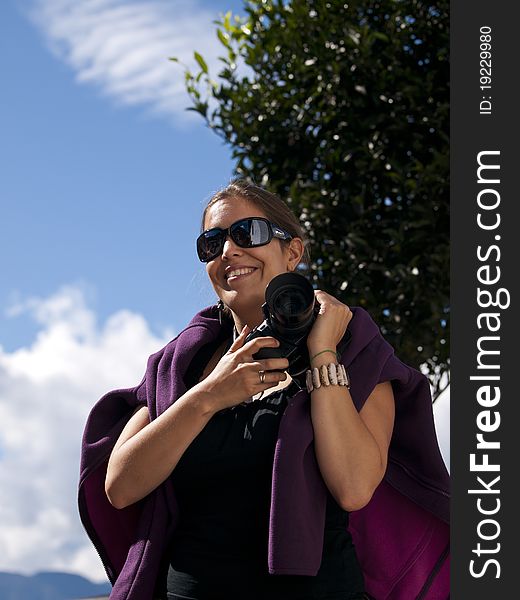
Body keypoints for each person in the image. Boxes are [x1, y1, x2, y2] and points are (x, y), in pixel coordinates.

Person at [79, 180, 450, 600]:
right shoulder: (183, 366)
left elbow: (354, 486)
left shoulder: (355, 351)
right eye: (211, 243)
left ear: (292, 252)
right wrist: (210, 394)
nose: (228, 251)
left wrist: (323, 352)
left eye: (247, 233)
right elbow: (121, 485)